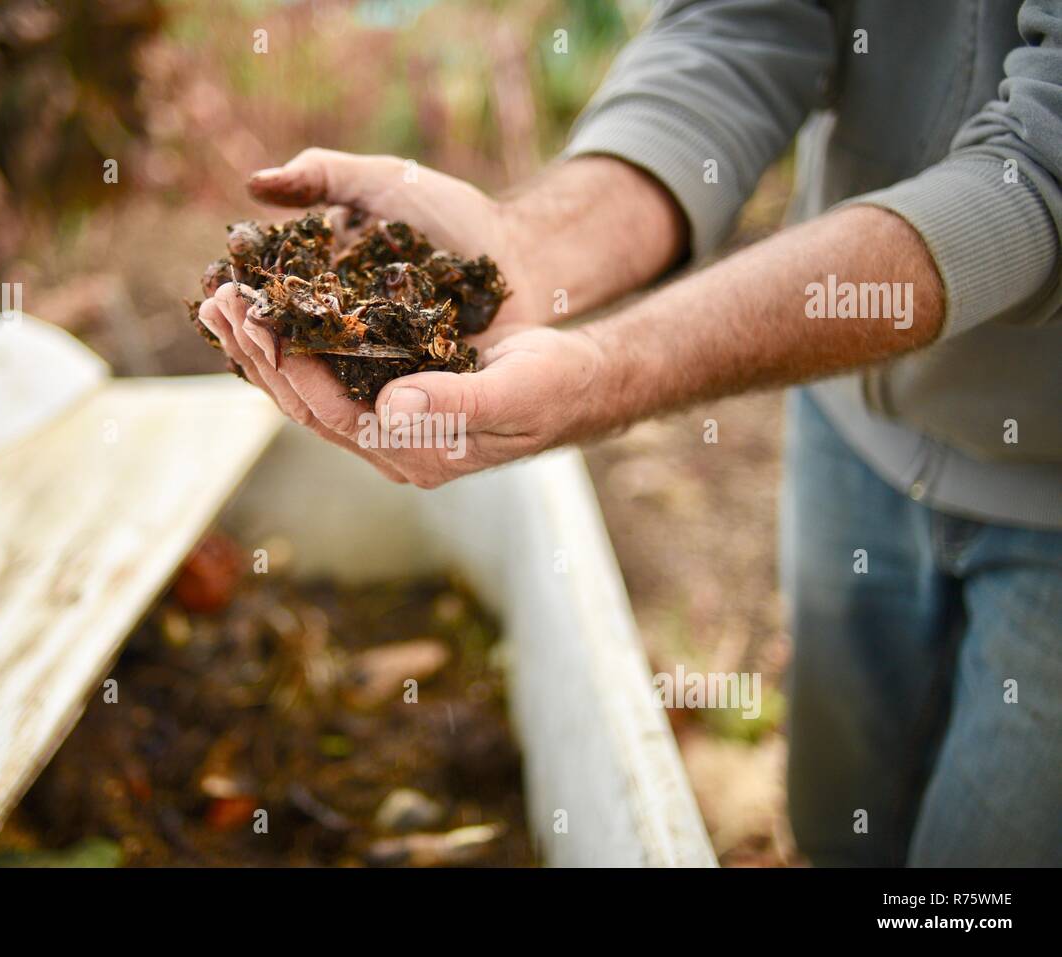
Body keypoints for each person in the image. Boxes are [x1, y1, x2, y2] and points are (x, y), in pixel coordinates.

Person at [197, 0, 1062, 866]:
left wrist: (617, 365)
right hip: (852, 423)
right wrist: (526, 248)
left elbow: (1039, 170)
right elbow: (743, 26)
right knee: (842, 813)